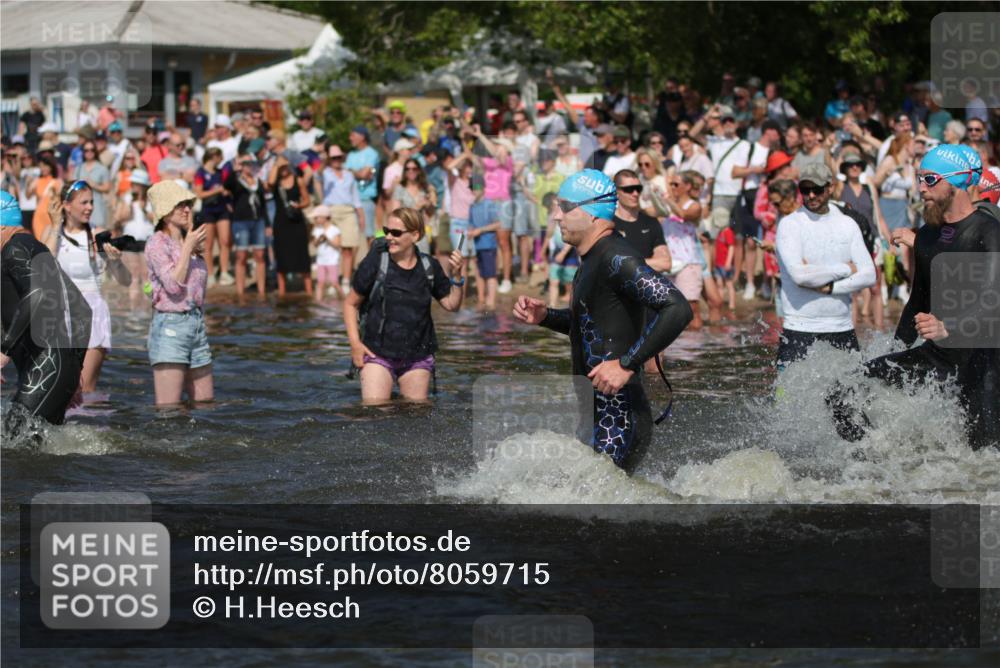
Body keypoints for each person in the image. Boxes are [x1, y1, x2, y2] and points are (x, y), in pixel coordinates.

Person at [512, 169, 692, 474]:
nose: (556, 216)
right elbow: (591, 326)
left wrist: (627, 364)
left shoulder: (617, 258)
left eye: (565, 207)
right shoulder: (592, 258)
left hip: (619, 419)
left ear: (593, 213)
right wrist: (546, 316)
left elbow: (678, 308)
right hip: (597, 414)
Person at [832, 144, 999, 450]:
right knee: (843, 391)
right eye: (919, 179)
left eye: (930, 179)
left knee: (985, 455)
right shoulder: (928, 235)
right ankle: (872, 460)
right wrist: (896, 351)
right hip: (939, 356)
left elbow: (993, 299)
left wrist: (949, 326)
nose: (921, 188)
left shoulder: (989, 232)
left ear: (957, 182)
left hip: (985, 363)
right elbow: (917, 303)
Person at [344, 207, 466, 403]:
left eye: (396, 233)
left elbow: (452, 305)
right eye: (387, 231)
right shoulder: (376, 262)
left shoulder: (429, 266)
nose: (389, 237)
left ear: (415, 235)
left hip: (417, 356)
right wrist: (355, 344)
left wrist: (457, 276)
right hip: (377, 352)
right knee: (375, 411)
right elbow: (350, 304)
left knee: (415, 413)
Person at [2, 192, 91, 437]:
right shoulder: (35, 249)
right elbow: (83, 309)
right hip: (53, 368)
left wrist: (4, 351)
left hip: (46, 366)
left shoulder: (14, 250)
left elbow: (36, 294)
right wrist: (74, 370)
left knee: (17, 442)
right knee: (33, 448)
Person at [774, 163, 876, 371]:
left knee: (853, 392)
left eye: (817, 189)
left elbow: (869, 275)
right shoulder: (790, 224)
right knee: (786, 392)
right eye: (805, 190)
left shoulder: (847, 224)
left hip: (841, 327)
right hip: (799, 327)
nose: (811, 195)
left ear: (830, 187)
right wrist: (847, 269)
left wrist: (831, 288)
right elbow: (800, 276)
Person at [43, 180, 131, 395]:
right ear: (67, 205)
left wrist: (116, 262)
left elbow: (125, 280)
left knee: (83, 388)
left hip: (92, 313)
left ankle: (91, 417)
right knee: (57, 387)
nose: (90, 207)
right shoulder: (51, 232)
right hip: (59, 314)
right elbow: (43, 270)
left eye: (91, 202)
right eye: (84, 202)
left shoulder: (98, 235)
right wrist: (54, 226)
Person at [144, 180, 212, 406]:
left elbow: (198, 290)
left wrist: (190, 245)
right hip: (170, 327)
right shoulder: (156, 243)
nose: (187, 209)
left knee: (205, 405)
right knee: (169, 410)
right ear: (165, 212)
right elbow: (173, 286)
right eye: (180, 205)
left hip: (196, 325)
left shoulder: (188, 241)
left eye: (188, 204)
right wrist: (188, 248)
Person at [321, 145, 365, 290]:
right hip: (331, 211)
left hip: (348, 211)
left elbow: (355, 197)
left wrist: (361, 215)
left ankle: (345, 280)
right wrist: (322, 158)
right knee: (331, 248)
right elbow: (316, 174)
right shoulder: (325, 173)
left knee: (348, 248)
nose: (336, 160)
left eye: (338, 157)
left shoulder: (349, 174)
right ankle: (332, 281)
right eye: (333, 158)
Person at [224, 155, 268, 296]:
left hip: (258, 220)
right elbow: (227, 185)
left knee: (260, 255)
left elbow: (263, 203)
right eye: (246, 163)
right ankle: (240, 292)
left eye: (251, 163)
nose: (249, 166)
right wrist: (234, 170)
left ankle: (261, 291)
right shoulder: (237, 180)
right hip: (241, 221)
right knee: (241, 256)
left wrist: (267, 223)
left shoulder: (258, 181)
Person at [270, 161, 312, 297]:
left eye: (285, 166)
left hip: (297, 221)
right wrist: (276, 164)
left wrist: (298, 206)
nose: (283, 169)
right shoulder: (275, 182)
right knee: (281, 256)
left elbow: (307, 200)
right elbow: (269, 183)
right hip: (281, 223)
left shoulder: (298, 180)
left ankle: (309, 291)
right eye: (280, 167)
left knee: (302, 255)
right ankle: (282, 292)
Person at [193, 147, 233, 287]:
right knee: (208, 244)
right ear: (214, 156)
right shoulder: (200, 173)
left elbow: (226, 188)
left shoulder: (220, 172)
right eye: (220, 157)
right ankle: (210, 274)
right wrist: (217, 190)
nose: (221, 160)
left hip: (222, 209)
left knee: (225, 241)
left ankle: (224, 272)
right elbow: (199, 194)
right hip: (208, 210)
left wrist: (226, 193)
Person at [115, 168, 154, 309]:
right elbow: (119, 218)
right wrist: (129, 207)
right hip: (130, 239)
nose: (134, 187)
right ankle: (133, 306)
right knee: (134, 275)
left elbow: (156, 219)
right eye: (133, 184)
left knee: (146, 275)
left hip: (146, 239)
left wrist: (144, 209)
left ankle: (147, 304)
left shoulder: (151, 200)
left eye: (137, 184)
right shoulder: (126, 198)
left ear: (143, 186)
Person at [468, 179, 501, 310]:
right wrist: (471, 231)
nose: (474, 190)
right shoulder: (472, 206)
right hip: (477, 245)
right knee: (479, 272)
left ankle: (491, 302)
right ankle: (481, 300)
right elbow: (471, 224)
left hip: (488, 245)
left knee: (490, 274)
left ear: (483, 188)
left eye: (477, 187)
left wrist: (480, 230)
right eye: (472, 188)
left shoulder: (489, 204)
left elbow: (498, 224)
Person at [346, 126, 380, 245]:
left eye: (353, 135)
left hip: (365, 199)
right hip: (350, 201)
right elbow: (347, 174)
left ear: (362, 137)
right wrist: (358, 172)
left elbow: (364, 174)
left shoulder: (372, 153)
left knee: (369, 234)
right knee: (352, 237)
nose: (350, 138)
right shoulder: (351, 154)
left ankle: (372, 257)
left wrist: (352, 171)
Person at [72, 140, 112, 230]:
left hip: (97, 208)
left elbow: (107, 187)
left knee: (98, 232)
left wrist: (94, 185)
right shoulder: (78, 168)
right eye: (86, 150)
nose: (89, 152)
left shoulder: (102, 168)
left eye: (92, 150)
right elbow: (73, 186)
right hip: (80, 208)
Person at [309, 205, 342, 300]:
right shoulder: (317, 230)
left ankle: (344, 299)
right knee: (320, 283)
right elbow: (315, 244)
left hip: (332, 261)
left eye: (317, 217)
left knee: (334, 282)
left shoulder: (334, 230)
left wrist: (327, 239)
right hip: (321, 261)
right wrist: (319, 239)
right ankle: (318, 302)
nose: (315, 220)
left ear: (324, 217)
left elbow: (337, 245)